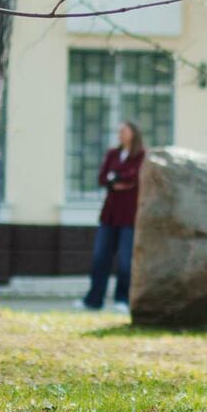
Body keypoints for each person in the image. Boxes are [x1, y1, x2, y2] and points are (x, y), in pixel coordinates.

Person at [83, 121, 145, 312]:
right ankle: (94, 300)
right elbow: (103, 178)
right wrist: (115, 180)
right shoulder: (112, 154)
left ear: (133, 133)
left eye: (123, 131)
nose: (119, 134)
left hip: (129, 216)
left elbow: (134, 178)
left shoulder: (141, 156)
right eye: (118, 131)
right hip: (109, 215)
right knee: (100, 257)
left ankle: (122, 300)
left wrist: (116, 177)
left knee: (126, 261)